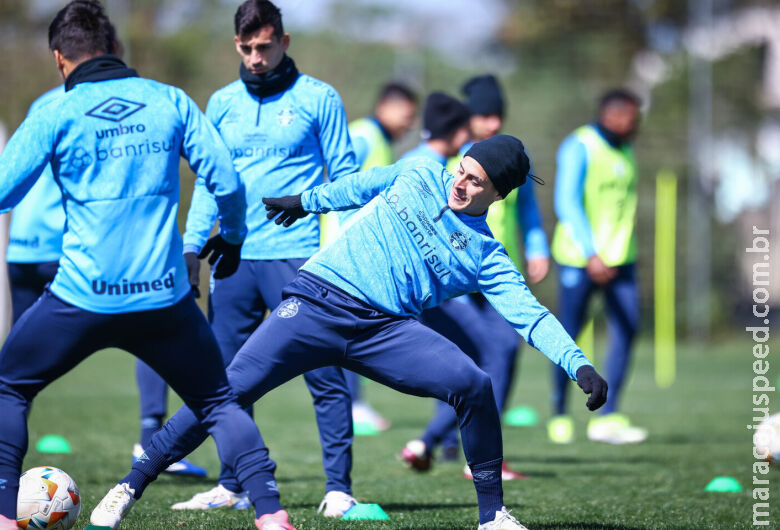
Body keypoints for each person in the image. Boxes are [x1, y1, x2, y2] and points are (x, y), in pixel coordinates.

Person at [94, 133, 609, 530]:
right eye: (463, 169)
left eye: (477, 182)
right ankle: (131, 484)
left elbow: (529, 314)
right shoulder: (419, 172)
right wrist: (306, 201)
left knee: (474, 384)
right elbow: (358, 186)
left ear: (497, 194)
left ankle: (492, 515)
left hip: (385, 331)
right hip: (318, 303)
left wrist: (578, 363)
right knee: (223, 395)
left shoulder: (486, 254)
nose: (461, 182)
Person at [0, 2, 284, 530]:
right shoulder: (170, 101)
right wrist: (236, 237)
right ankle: (271, 514)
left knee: (10, 387)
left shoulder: (55, 111)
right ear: (116, 49)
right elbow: (226, 180)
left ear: (60, 59)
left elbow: (3, 191)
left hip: (81, 297)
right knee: (219, 401)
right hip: (163, 297)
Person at [147, 0, 358, 517]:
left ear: (284, 42)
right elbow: (207, 184)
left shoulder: (319, 98)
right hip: (234, 259)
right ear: (236, 46)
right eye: (246, 48)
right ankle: (232, 484)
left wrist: (346, 252)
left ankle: (339, 489)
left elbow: (346, 177)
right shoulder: (220, 103)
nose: (256, 57)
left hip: (301, 258)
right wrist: (192, 245)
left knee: (325, 375)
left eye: (265, 46)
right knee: (225, 379)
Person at [402, 75, 550, 480]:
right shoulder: (454, 159)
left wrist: (537, 247)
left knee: (487, 357)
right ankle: (471, 455)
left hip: (496, 273)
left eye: (498, 114)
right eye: (485, 115)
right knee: (492, 353)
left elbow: (529, 212)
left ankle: (439, 443)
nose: (493, 122)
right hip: (457, 280)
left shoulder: (512, 158)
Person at [548, 88, 646, 445]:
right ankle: (559, 411)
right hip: (580, 257)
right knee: (566, 334)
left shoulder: (628, 150)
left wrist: (616, 251)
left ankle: (609, 414)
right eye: (632, 117)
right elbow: (566, 201)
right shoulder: (580, 145)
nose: (636, 124)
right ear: (612, 115)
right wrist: (592, 253)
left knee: (627, 328)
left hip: (621, 259)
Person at [343, 81, 418, 432]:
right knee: (346, 327)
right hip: (346, 246)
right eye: (407, 114)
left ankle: (355, 402)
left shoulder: (382, 142)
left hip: (364, 247)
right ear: (387, 107)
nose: (409, 123)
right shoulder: (363, 136)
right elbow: (338, 180)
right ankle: (352, 405)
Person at [5, 87, 65, 325]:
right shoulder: (92, 102)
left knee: (23, 355)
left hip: (22, 243)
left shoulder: (43, 103)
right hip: (59, 247)